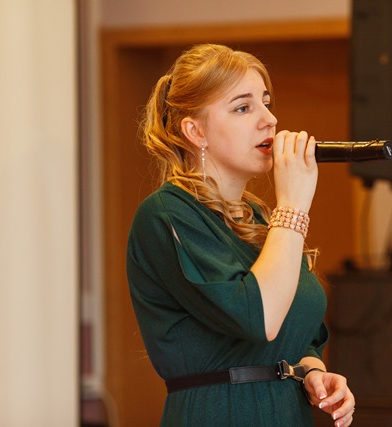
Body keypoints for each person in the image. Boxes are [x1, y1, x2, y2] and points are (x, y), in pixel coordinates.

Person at [126, 43, 355, 427]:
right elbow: (258, 318)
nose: (270, 119)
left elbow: (299, 335)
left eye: (266, 103)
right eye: (243, 108)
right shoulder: (167, 214)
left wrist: (312, 371)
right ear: (195, 131)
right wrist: (293, 207)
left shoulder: (262, 220)